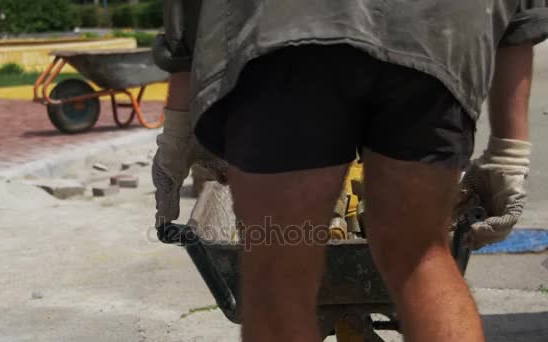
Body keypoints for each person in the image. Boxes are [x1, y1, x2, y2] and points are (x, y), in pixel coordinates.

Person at [152, 1, 547, 341]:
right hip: (436, 30)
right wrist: (510, 148)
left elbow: (185, 20)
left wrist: (176, 129)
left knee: (280, 266)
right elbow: (523, 17)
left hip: (283, 29)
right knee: (421, 257)